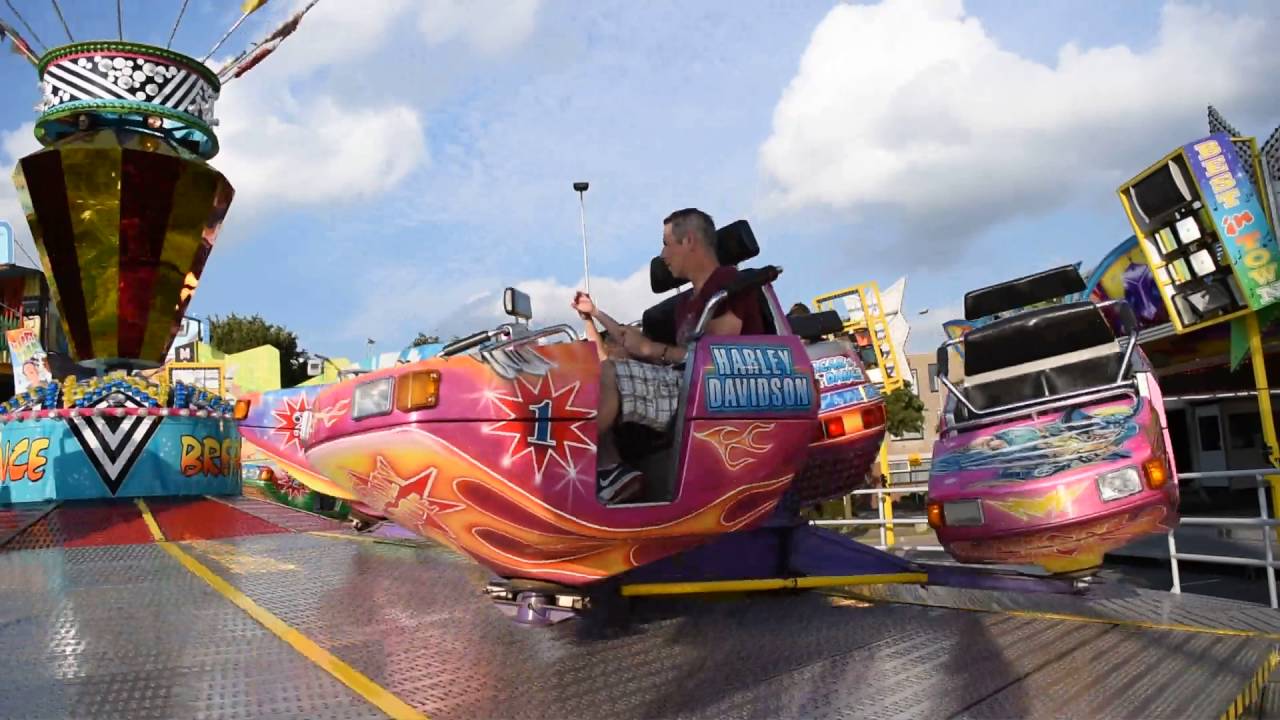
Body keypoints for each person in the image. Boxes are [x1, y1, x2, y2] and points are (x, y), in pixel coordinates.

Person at [571, 208, 765, 504]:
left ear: (688, 241)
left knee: (608, 372)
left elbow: (715, 357)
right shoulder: (685, 304)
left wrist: (652, 350)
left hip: (715, 392)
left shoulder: (727, 283)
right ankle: (608, 469)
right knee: (600, 370)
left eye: (666, 243)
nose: (662, 254)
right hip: (687, 386)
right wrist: (594, 314)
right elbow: (633, 340)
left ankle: (576, 460)